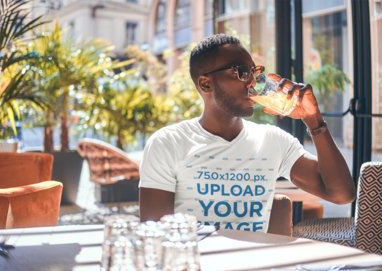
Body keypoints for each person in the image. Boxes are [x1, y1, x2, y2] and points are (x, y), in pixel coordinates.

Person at [138, 34, 355, 232]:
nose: (252, 82)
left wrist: (313, 120)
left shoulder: (273, 140)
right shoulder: (168, 143)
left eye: (254, 72)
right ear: (205, 84)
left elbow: (342, 195)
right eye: (241, 72)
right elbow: (155, 234)